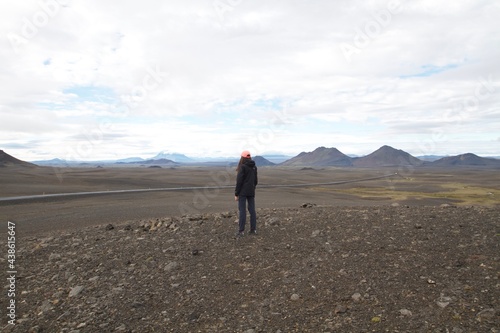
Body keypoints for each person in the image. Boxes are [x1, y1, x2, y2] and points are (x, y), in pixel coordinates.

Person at [234, 150, 258, 237]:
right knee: (252, 210)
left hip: (243, 192)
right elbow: (255, 181)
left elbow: (239, 181)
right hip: (251, 191)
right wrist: (252, 188)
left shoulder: (243, 167)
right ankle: (253, 229)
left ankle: (241, 231)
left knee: (242, 211)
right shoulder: (254, 167)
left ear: (242, 158)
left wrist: (236, 194)